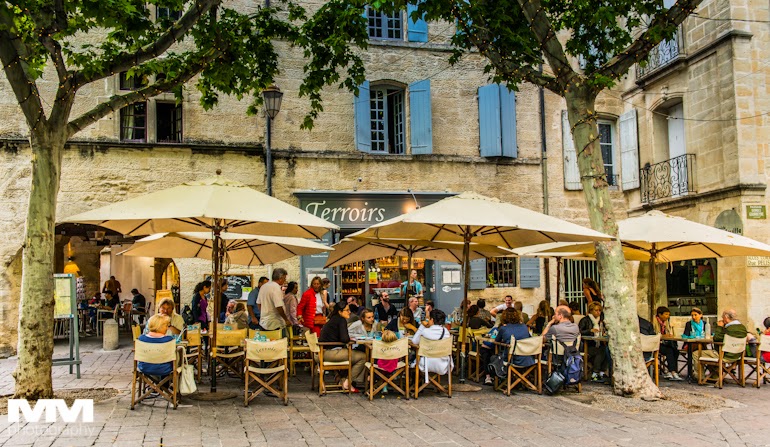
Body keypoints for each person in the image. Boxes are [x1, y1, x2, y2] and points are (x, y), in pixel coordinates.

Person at [319, 302, 367, 392]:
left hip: (324, 351)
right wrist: (350, 339)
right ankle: (348, 382)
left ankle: (343, 379)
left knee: (354, 355)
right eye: (347, 310)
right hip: (331, 353)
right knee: (363, 357)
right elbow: (344, 339)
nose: (349, 312)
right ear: (340, 312)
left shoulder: (333, 319)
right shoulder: (341, 320)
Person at [480, 308, 534, 385]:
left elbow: (496, 342)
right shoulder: (524, 327)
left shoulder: (503, 328)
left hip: (511, 359)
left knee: (490, 353)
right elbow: (529, 339)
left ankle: (493, 378)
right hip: (528, 358)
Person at [694, 309, 751, 381]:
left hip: (725, 355)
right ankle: (715, 376)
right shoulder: (743, 328)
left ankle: (700, 378)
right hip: (738, 354)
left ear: (726, 317)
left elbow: (716, 338)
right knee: (709, 354)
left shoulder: (728, 328)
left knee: (696, 354)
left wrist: (720, 327)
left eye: (723, 317)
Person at [412, 309, 453, 378]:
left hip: (425, 364)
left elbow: (414, 341)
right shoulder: (446, 332)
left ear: (432, 320)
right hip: (443, 364)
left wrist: (422, 326)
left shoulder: (425, 331)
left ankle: (417, 384)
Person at [578, 302, 609, 381]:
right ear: (591, 311)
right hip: (587, 345)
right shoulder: (585, 320)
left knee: (607, 350)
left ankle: (602, 372)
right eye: (596, 310)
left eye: (599, 310)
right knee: (600, 351)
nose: (598, 312)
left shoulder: (601, 321)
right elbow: (579, 332)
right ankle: (595, 373)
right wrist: (590, 330)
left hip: (599, 343)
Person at [653, 306, 683, 381]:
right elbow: (654, 334)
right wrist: (663, 335)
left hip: (664, 342)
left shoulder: (666, 322)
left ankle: (672, 371)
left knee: (675, 351)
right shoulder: (654, 321)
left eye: (668, 314)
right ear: (660, 314)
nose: (667, 316)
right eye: (666, 314)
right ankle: (672, 371)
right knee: (669, 351)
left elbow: (669, 331)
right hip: (655, 344)